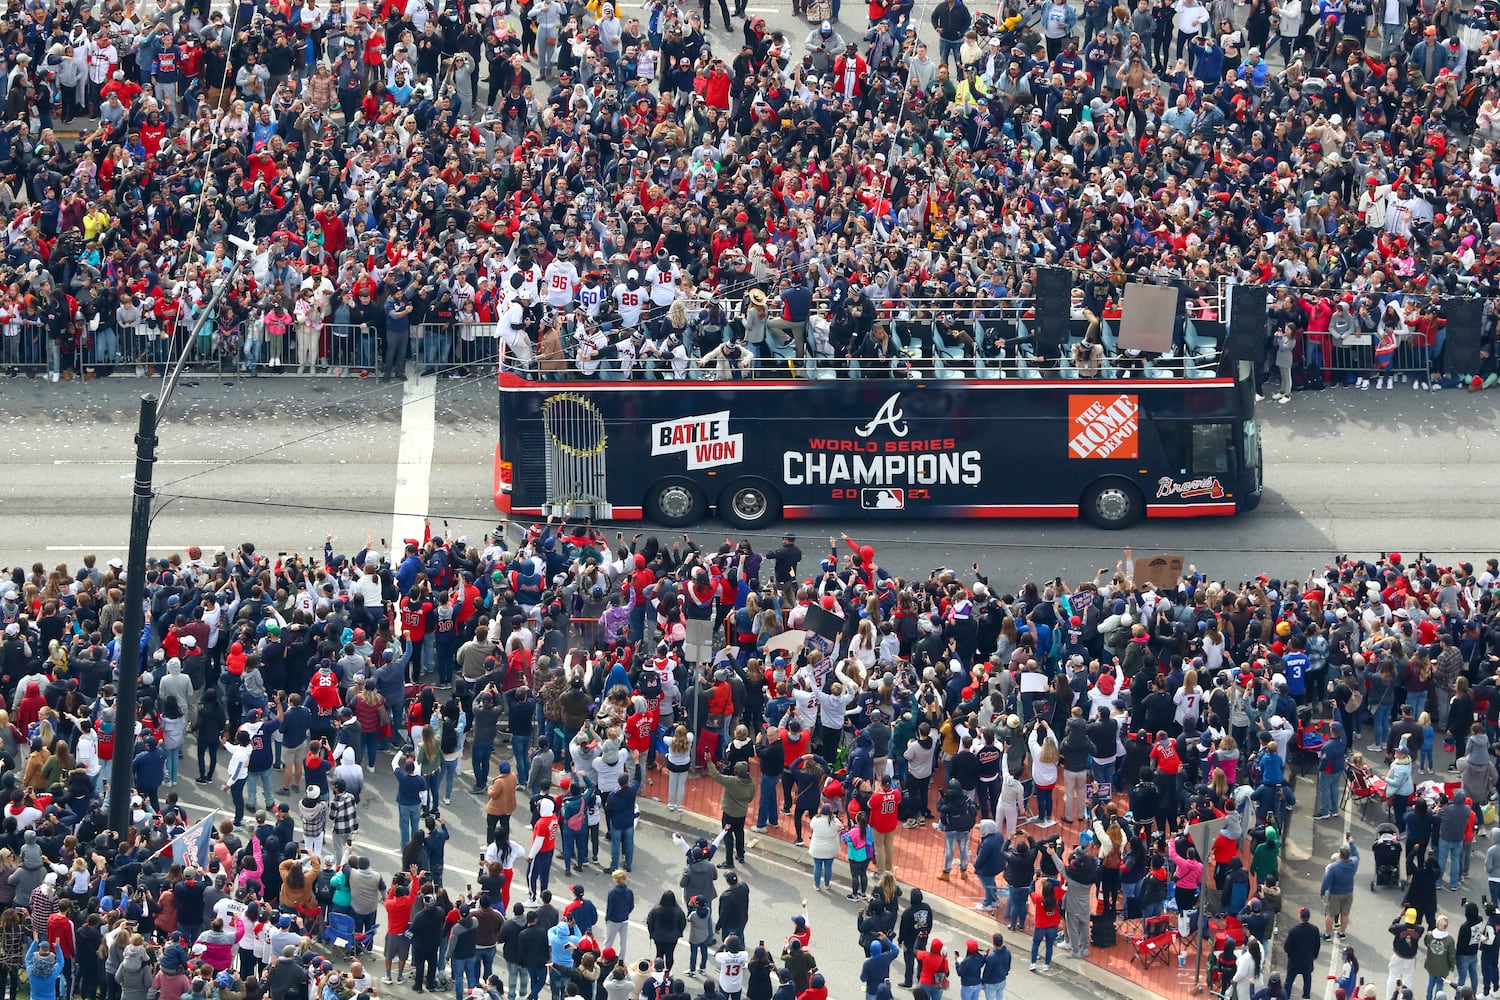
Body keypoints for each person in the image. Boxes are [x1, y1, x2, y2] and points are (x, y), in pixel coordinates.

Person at [1282, 907, 1321, 1000]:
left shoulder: (1293, 931)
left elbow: (1287, 948)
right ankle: (1306, 997)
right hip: (1307, 960)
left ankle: (1286, 997)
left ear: (1300, 917)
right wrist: (1314, 956)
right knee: (1307, 979)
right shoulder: (1314, 930)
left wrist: (1290, 954)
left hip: (1294, 961)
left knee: (1289, 980)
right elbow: (1317, 945)